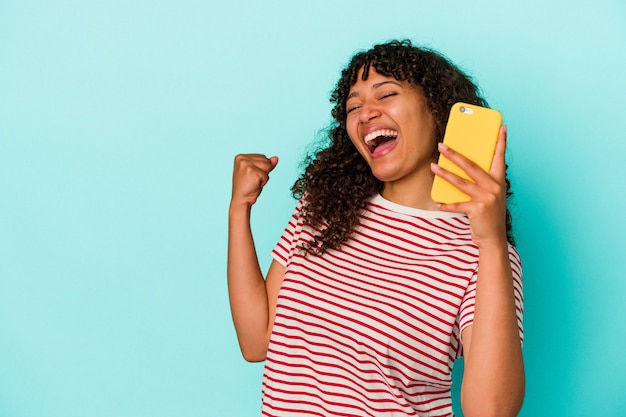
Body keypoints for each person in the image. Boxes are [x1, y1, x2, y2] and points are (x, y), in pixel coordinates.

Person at [228, 39, 524, 417]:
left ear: (438, 111)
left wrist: (492, 243)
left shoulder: (483, 254)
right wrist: (239, 210)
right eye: (353, 106)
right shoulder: (323, 210)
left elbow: (491, 411)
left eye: (386, 94)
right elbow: (258, 341)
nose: (366, 113)